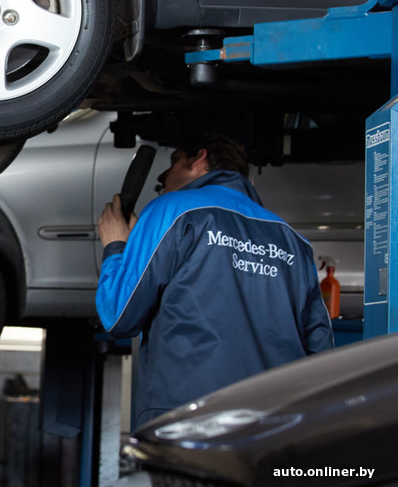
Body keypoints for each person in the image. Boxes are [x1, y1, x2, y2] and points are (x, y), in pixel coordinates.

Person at [96, 133, 333, 426]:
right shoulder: (294, 241)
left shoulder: (171, 209)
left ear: (200, 159)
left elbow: (119, 316)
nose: (162, 175)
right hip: (275, 424)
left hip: (189, 420)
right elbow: (321, 354)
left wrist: (116, 246)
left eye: (174, 161)